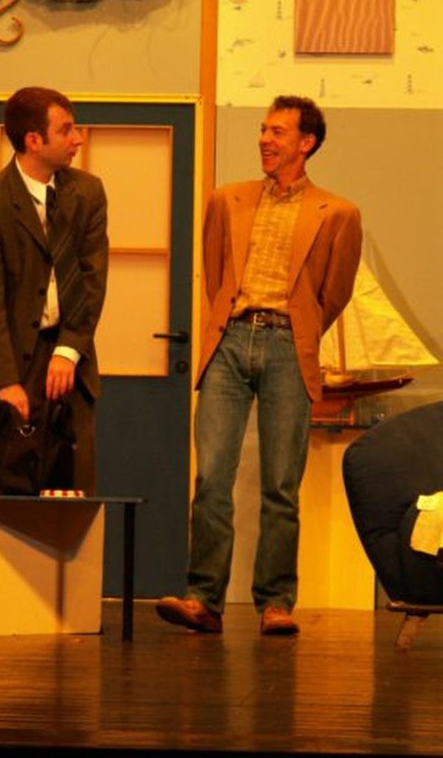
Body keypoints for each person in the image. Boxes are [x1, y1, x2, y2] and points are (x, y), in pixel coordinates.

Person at [156, 95, 362, 635]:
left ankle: (275, 602)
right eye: (263, 130)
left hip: (288, 344)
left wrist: (299, 330)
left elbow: (334, 293)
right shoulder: (228, 200)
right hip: (230, 340)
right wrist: (230, 322)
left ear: (306, 143)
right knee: (211, 476)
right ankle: (203, 598)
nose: (265, 140)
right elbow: (215, 271)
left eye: (277, 132)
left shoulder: (338, 213)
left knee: (280, 485)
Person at [0, 86, 109, 496]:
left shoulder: (88, 193)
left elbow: (93, 278)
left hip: (70, 356)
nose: (78, 139)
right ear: (33, 140)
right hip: (13, 362)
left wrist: (69, 348)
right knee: (17, 491)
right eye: (66, 130)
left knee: (74, 490)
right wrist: (6, 381)